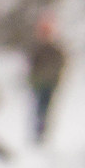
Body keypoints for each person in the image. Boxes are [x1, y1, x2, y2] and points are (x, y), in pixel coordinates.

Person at [27, 13, 66, 144]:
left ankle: (42, 132)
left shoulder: (54, 49)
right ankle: (38, 132)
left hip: (49, 83)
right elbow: (32, 65)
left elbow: (61, 63)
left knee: (44, 108)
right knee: (39, 108)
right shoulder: (38, 48)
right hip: (39, 83)